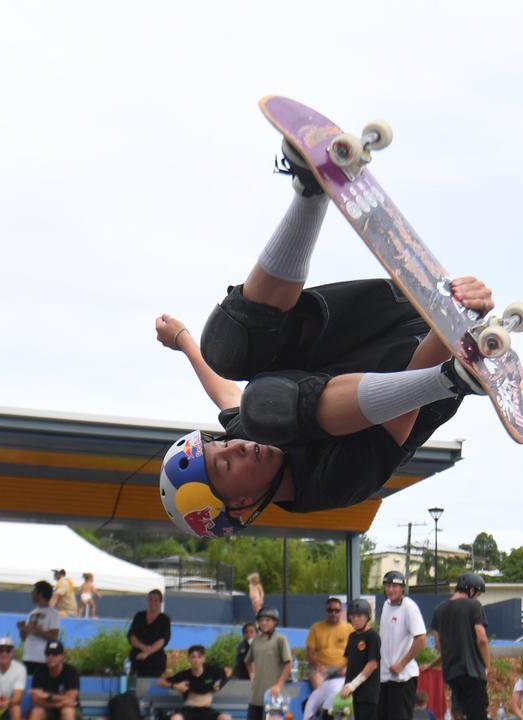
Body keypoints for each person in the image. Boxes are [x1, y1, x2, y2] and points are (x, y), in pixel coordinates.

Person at [155, 156, 494, 541]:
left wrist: (183, 340)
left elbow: (225, 391)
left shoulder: (249, 430)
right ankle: (455, 375)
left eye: (226, 446)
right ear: (243, 505)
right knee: (268, 403)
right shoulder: (330, 486)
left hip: (376, 314)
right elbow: (401, 415)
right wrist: (450, 337)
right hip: (425, 363)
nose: (240, 448)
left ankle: (311, 189)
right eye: (227, 468)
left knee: (226, 350)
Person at [427, 573, 490, 720]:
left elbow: (438, 645)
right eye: (477, 594)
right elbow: (482, 639)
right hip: (473, 672)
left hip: (452, 674)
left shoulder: (439, 610)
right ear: (471, 590)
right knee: (477, 714)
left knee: (458, 714)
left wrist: (431, 664)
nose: (476, 597)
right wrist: (486, 666)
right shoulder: (473, 605)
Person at [379, 570, 427, 720]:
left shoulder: (409, 607)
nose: (391, 590)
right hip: (385, 677)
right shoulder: (386, 605)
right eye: (388, 586)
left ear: (402, 588)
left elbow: (421, 639)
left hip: (403, 678)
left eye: (395, 586)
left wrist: (401, 664)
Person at [158, 644, 232, 720]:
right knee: (175, 718)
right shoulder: (184, 675)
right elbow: (160, 683)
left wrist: (220, 683)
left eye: (199, 657)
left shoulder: (212, 671)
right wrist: (175, 686)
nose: (196, 660)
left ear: (204, 658)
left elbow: (228, 671)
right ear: (189, 659)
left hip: (206, 710)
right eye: (193, 657)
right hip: (189, 709)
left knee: (225, 717)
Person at [246, 606, 293, 720]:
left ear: (275, 622)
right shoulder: (255, 640)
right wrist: (252, 676)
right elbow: (248, 661)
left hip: (273, 696)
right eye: (261, 620)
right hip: (256, 696)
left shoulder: (281, 639)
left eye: (267, 620)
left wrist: (278, 685)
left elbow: (288, 664)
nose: (264, 623)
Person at [339, 598, 381, 720]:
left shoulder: (372, 636)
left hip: (368, 694)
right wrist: (345, 684)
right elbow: (349, 663)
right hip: (353, 694)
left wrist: (353, 685)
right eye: (353, 616)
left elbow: (372, 664)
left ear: (367, 617)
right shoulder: (352, 637)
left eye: (360, 616)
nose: (356, 619)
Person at [18, 581, 61, 677]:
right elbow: (24, 638)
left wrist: (35, 630)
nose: (31, 594)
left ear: (40, 594)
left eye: (33, 591)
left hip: (42, 659)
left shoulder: (53, 613)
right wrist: (22, 629)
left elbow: (54, 637)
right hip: (28, 657)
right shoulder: (32, 613)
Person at [306, 597, 352, 688]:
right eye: (330, 610)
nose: (333, 613)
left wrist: (347, 667)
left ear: (342, 611)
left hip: (343, 669)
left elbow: (356, 653)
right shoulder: (316, 628)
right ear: (326, 611)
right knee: (315, 678)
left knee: (350, 677)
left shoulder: (350, 629)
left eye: (336, 610)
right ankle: (322, 701)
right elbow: (309, 652)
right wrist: (318, 666)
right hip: (321, 669)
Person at [29, 641, 80, 720]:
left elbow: (71, 698)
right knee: (37, 711)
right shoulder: (39, 672)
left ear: (62, 656)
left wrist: (48, 696)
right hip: (48, 709)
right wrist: (57, 705)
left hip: (70, 708)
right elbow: (36, 700)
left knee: (67, 711)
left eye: (55, 654)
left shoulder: (71, 671)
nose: (50, 657)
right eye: (48, 654)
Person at [128, 588, 172, 677]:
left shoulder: (164, 619)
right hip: (137, 658)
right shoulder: (139, 616)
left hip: (155, 661)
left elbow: (162, 639)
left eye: (156, 600)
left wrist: (148, 653)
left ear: (160, 602)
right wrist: (143, 647)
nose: (153, 602)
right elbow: (132, 636)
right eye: (150, 599)